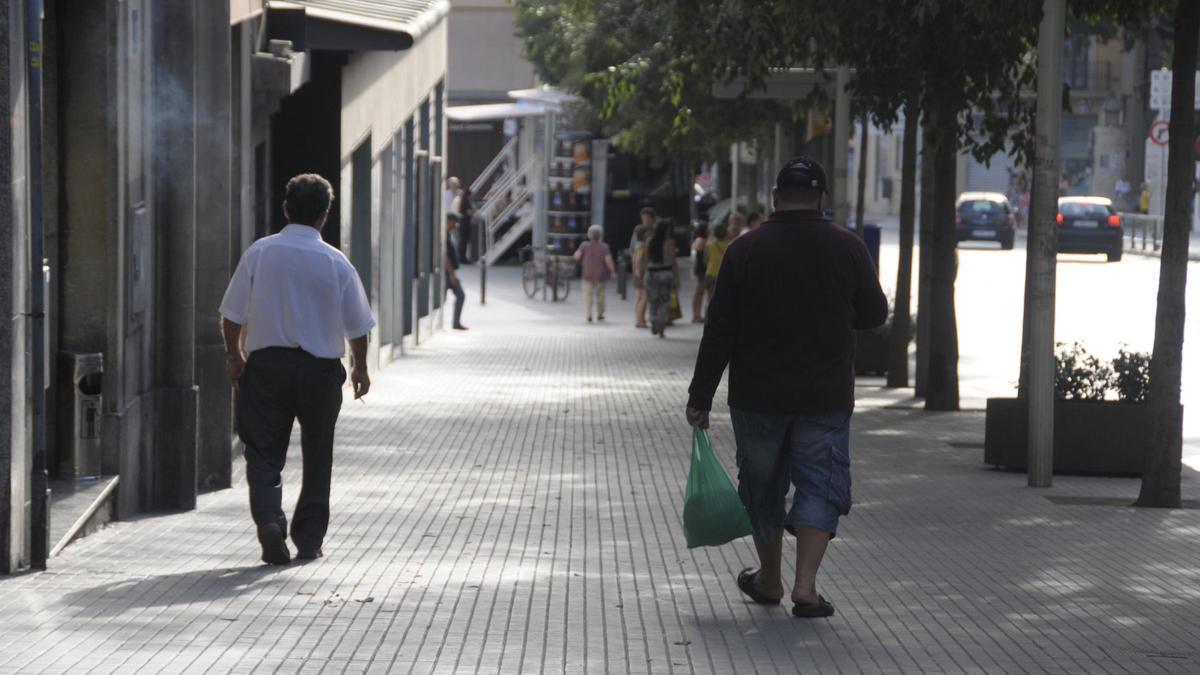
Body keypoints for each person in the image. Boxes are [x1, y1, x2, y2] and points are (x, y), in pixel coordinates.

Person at [685, 157, 887, 618]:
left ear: (776, 199)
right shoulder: (847, 247)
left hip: (758, 396)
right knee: (820, 484)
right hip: (825, 395)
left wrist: (700, 397)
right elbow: (874, 314)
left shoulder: (745, 250)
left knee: (762, 486)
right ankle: (806, 587)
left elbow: (720, 331)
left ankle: (769, 578)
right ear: (820, 198)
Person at [219, 173, 375, 565]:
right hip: (320, 372)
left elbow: (232, 314)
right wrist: (360, 368)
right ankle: (309, 540)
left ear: (285, 208)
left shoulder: (260, 253)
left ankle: (271, 521)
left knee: (263, 452)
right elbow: (358, 326)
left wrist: (234, 355)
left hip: (268, 367)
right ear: (324, 216)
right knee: (318, 455)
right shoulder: (337, 263)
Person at [574, 225, 617, 322]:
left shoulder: (584, 245)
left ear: (589, 235)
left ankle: (589, 314)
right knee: (601, 294)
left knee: (587, 295)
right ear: (600, 235)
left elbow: (577, 256)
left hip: (587, 274)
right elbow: (608, 260)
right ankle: (600, 313)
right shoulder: (604, 247)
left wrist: (577, 257)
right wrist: (613, 271)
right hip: (601, 275)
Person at [644, 219, 679, 337]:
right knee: (664, 301)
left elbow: (646, 259)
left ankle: (653, 319)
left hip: (652, 273)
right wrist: (676, 277)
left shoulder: (650, 241)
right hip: (666, 273)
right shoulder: (669, 242)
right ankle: (661, 327)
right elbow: (673, 261)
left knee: (653, 299)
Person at [445, 213, 468, 330]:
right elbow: (445, 257)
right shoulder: (443, 236)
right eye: (454, 222)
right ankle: (455, 323)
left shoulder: (448, 235)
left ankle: (456, 323)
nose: (455, 225)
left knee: (460, 295)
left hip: (448, 273)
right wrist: (452, 274)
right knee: (459, 295)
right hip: (446, 274)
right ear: (448, 221)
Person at [703, 223, 730, 309]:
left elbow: (705, 260)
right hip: (723, 274)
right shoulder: (729, 245)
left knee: (710, 296)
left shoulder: (709, 245)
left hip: (710, 273)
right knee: (724, 296)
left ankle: (710, 313)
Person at [631, 224, 650, 328]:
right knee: (644, 298)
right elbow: (638, 260)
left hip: (638, 275)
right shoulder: (642, 246)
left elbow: (634, 258)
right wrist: (638, 271)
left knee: (639, 297)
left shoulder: (637, 245)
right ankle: (640, 320)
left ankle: (639, 318)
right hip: (642, 275)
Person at [690, 223, 709, 323]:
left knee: (699, 293)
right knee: (698, 293)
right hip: (701, 269)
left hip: (698, 269)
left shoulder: (697, 240)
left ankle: (697, 314)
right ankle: (696, 315)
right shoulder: (702, 241)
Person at [452, 187, 475, 264]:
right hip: (465, 224)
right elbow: (469, 212)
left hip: (462, 223)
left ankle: (461, 258)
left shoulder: (461, 201)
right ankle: (462, 258)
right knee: (464, 242)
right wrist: (473, 212)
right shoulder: (466, 202)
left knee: (462, 242)